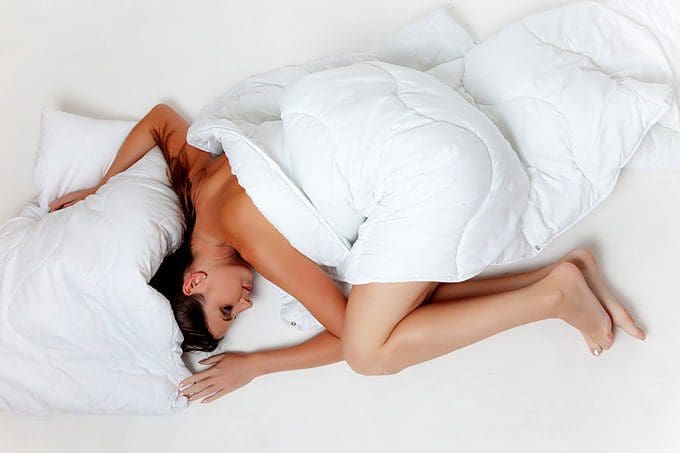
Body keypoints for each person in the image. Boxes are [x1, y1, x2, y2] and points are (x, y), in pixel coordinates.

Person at [49, 103, 647, 404]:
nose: (248, 304)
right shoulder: (200, 183)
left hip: (424, 170)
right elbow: (159, 120)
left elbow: (348, 334)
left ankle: (552, 299)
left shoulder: (245, 232)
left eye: (227, 309)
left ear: (193, 280)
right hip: (405, 142)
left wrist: (256, 366)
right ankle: (560, 275)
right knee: (382, 310)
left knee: (368, 351)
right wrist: (103, 188)